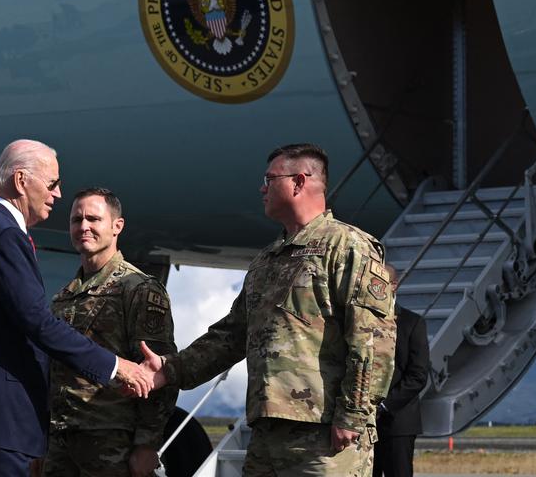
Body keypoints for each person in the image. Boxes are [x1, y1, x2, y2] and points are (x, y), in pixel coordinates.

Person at [137, 143, 397, 476]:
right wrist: (169, 370)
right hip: (267, 433)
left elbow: (373, 341)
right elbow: (231, 336)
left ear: (299, 182)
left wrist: (353, 415)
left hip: (323, 436)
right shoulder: (267, 260)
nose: (262, 187)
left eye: (269, 178)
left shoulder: (348, 247)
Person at [0, 139, 155, 476]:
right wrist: (115, 366)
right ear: (22, 181)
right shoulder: (4, 234)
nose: (58, 194)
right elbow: (36, 321)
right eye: (52, 183)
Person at [44, 188, 178, 476]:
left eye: (93, 219)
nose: (83, 227)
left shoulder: (138, 289)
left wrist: (147, 445)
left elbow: (160, 372)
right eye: (76, 220)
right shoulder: (62, 297)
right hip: (60, 441)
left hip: (113, 442)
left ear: (117, 226)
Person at [373, 265, 430, 477]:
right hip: (362, 424)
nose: (373, 286)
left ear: (394, 286)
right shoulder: (359, 321)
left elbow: (417, 376)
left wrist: (384, 405)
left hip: (397, 422)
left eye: (379, 282)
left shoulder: (412, 323)